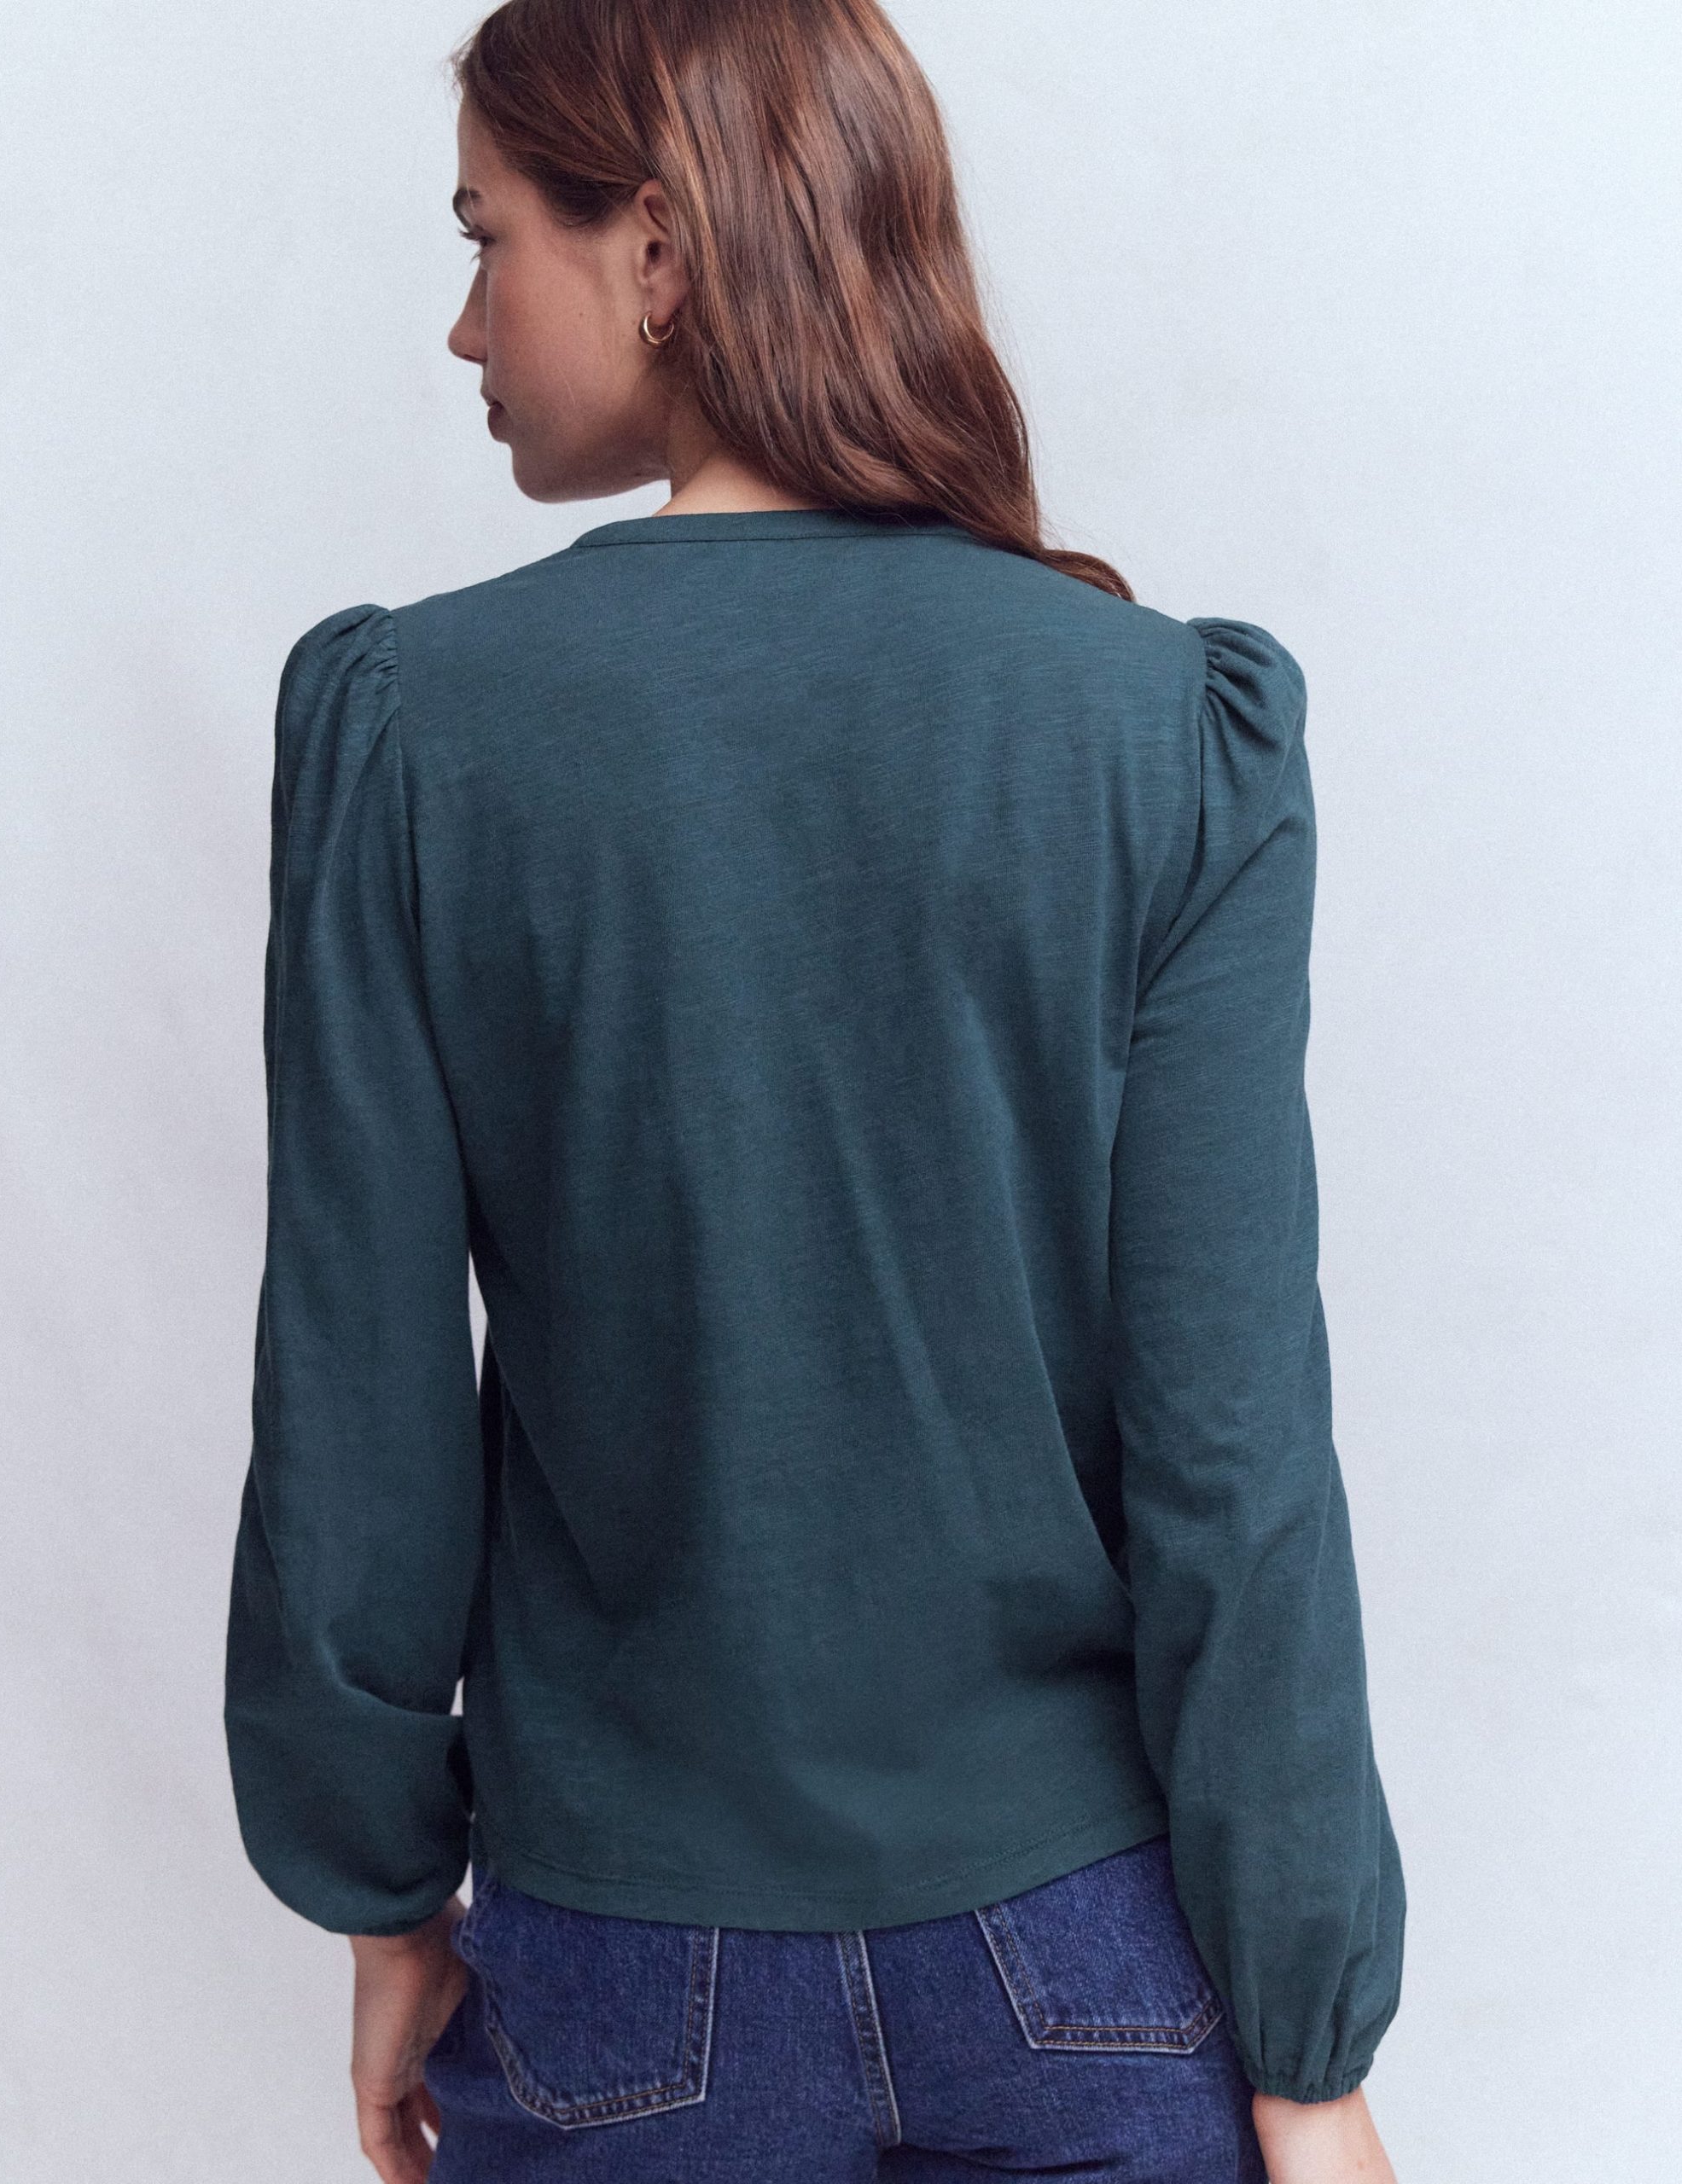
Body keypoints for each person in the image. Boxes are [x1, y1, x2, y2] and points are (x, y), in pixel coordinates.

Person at [223, 2, 1406, 2179]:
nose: (465, 321)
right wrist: (1309, 2045)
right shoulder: (1167, 735)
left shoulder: (415, 731)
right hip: (1092, 1962)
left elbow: (355, 1406)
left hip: (619, 1973)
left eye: (489, 238)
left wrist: (387, 1900)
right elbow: (1234, 1453)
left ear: (659, 249)